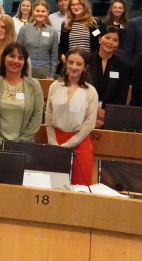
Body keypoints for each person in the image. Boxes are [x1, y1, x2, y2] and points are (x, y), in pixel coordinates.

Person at [46, 48, 99, 185]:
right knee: (55, 186)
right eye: (71, 62)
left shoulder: (90, 91)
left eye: (79, 64)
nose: (74, 67)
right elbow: (48, 116)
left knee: (80, 188)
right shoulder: (54, 87)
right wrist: (53, 143)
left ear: (85, 67)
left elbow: (89, 123)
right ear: (66, 63)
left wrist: (69, 145)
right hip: (56, 142)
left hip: (80, 144)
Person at [0, 42, 44, 148]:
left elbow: (37, 115)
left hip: (24, 147)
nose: (15, 61)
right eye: (11, 56)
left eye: (20, 58)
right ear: (4, 58)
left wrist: (20, 143)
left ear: (25, 62)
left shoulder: (34, 85)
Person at [88, 26, 130, 128]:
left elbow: (121, 95)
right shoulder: (86, 60)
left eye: (115, 40)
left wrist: (107, 114)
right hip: (85, 112)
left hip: (111, 116)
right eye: (107, 38)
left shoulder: (123, 66)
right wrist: (96, 110)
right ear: (99, 39)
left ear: (118, 44)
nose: (110, 42)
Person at [17, 0, 58, 79]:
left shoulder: (53, 32)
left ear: (47, 13)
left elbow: (54, 56)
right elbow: (18, 51)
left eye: (43, 11)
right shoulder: (24, 29)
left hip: (45, 72)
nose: (40, 13)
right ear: (33, 12)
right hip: (25, 70)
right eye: (37, 11)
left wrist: (51, 76)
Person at [58, 0, 101, 64]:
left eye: (78, 4)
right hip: (71, 63)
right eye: (73, 5)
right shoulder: (65, 25)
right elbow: (62, 46)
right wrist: (62, 55)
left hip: (90, 63)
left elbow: (98, 45)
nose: (75, 7)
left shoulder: (95, 23)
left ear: (84, 5)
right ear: (69, 7)